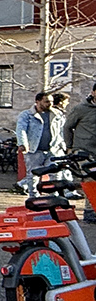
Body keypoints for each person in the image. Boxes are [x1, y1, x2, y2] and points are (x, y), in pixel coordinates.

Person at [63, 82, 96, 221]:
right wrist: (69, 147)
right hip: (84, 151)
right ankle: (90, 212)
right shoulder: (81, 109)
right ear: (93, 92)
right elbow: (67, 127)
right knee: (91, 179)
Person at [15, 91, 55, 194]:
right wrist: (23, 143)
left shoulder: (56, 114)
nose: (50, 104)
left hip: (53, 149)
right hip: (34, 150)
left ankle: (54, 197)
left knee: (55, 173)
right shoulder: (27, 115)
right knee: (33, 175)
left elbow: (61, 130)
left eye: (51, 101)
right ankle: (33, 197)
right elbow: (21, 129)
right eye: (46, 101)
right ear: (37, 101)